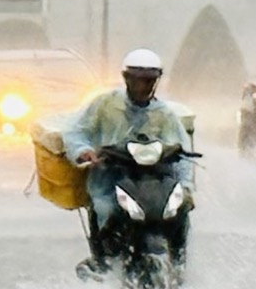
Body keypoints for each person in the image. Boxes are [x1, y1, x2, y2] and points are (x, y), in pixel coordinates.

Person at [61, 48, 194, 275]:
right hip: (109, 181)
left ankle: (179, 265)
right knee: (107, 208)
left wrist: (186, 187)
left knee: (179, 211)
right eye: (140, 80)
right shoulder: (106, 104)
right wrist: (83, 151)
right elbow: (75, 130)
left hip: (153, 182)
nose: (145, 86)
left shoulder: (164, 113)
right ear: (127, 79)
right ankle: (105, 261)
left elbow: (182, 150)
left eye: (151, 80)